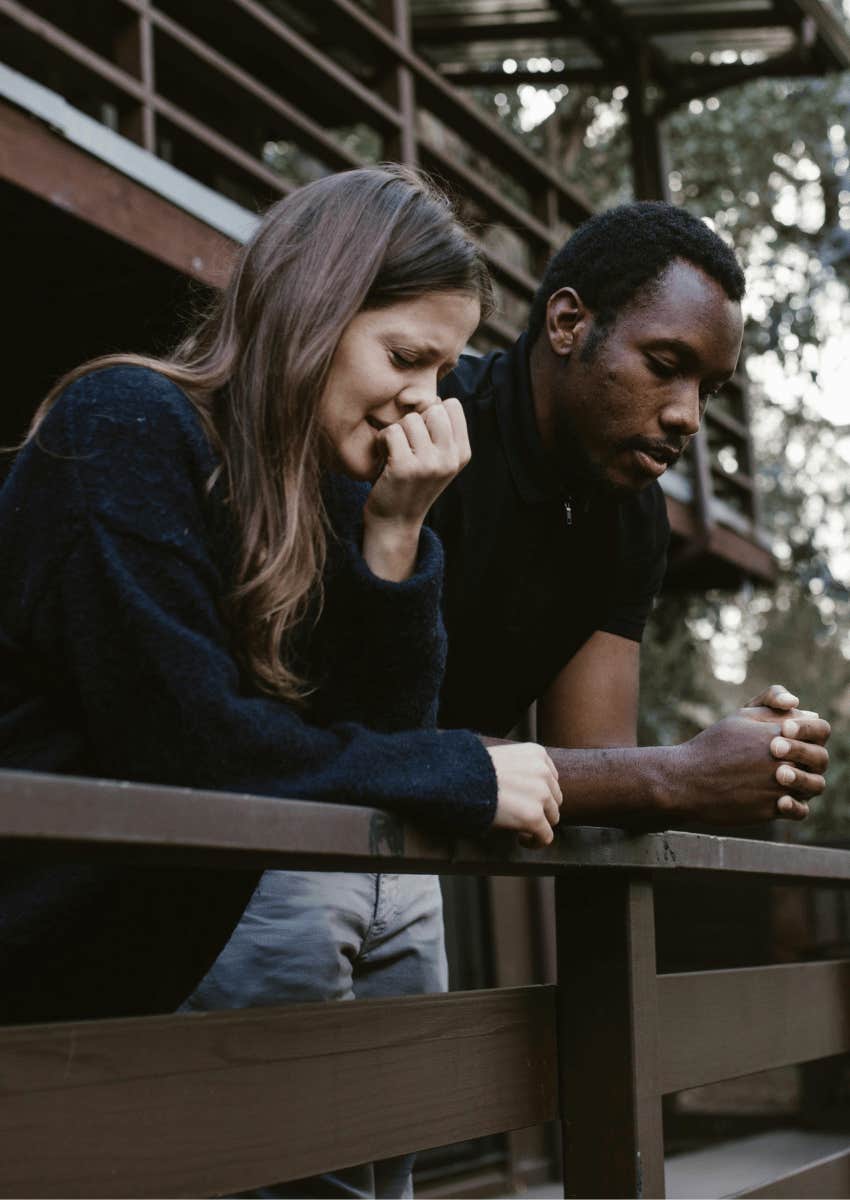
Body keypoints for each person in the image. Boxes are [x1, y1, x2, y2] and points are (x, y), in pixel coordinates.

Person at [0, 165, 565, 1038]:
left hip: (140, 983)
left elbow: (372, 746)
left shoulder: (340, 502)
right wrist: (463, 772)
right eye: (406, 356)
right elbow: (192, 750)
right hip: (36, 967)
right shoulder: (124, 426)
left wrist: (395, 535)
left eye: (447, 370)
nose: (427, 397)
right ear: (313, 311)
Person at [431, 200, 830, 823]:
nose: (688, 417)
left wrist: (727, 762)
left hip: (420, 882)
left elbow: (598, 771)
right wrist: (680, 773)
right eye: (666, 368)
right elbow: (360, 737)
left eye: (709, 390)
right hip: (277, 840)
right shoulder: (429, 427)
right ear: (568, 324)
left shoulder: (634, 517)